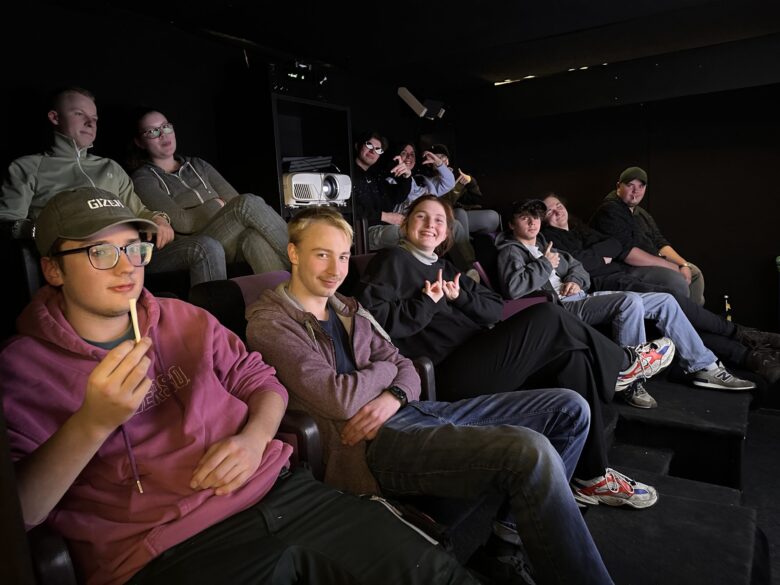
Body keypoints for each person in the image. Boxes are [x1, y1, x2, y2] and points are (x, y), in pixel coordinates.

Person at [0, 186, 478, 585]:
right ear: (54, 268)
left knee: (438, 573)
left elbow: (262, 381)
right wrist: (92, 423)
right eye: (101, 252)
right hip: (165, 550)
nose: (127, 267)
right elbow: (21, 511)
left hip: (279, 491)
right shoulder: (23, 367)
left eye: (134, 248)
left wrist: (254, 439)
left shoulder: (184, 318)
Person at [245, 205, 614, 585]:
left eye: (342, 257)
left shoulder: (346, 308)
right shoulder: (270, 322)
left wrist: (393, 394)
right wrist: (388, 372)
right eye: (322, 254)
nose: (336, 270)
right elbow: (340, 397)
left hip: (414, 410)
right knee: (530, 449)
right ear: (294, 253)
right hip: (372, 444)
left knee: (571, 407)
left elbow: (405, 367)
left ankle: (507, 542)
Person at [356, 195, 666, 509]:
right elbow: (375, 323)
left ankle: (591, 477)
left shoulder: (446, 267)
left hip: (482, 355)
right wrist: (427, 302)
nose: (430, 225)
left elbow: (494, 309)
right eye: (421, 216)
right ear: (406, 224)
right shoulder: (392, 260)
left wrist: (460, 297)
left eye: (439, 220)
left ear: (447, 232)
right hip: (448, 374)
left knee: (573, 359)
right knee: (549, 315)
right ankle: (622, 365)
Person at [496, 198, 756, 407]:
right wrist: (544, 265)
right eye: (524, 217)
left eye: (535, 216)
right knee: (629, 301)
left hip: (579, 296)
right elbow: (514, 288)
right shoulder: (510, 251)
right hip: (560, 308)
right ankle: (630, 379)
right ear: (511, 224)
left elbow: (579, 269)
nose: (532, 222)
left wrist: (574, 280)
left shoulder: (546, 245)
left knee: (665, 301)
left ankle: (704, 366)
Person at [543, 193, 780, 384]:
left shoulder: (580, 228)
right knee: (670, 299)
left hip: (619, 274)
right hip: (604, 284)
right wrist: (600, 256)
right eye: (550, 211)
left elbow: (615, 245)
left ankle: (750, 351)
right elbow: (580, 264)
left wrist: (599, 255)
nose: (557, 211)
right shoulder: (550, 239)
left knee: (674, 303)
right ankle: (746, 345)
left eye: (558, 206)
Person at [0, 86, 225, 287]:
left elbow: (139, 211)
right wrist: (40, 230)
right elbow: (7, 222)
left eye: (94, 118)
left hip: (131, 254)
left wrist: (159, 219)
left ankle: (208, 323)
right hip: (78, 258)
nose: (90, 122)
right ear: (54, 117)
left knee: (205, 246)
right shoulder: (27, 167)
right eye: (79, 114)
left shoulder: (109, 167)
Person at [130, 109, 290, 275]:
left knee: (254, 237)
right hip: (193, 244)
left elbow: (233, 199)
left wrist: (224, 207)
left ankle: (285, 291)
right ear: (140, 142)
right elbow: (183, 223)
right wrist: (217, 203)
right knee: (246, 203)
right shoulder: (143, 178)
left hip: (227, 237)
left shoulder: (198, 164)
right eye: (152, 131)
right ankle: (300, 255)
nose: (163, 134)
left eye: (166, 127)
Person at [351, 131, 477, 275]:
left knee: (454, 225)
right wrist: (386, 215)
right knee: (415, 232)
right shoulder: (384, 178)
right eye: (369, 145)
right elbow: (352, 210)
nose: (373, 151)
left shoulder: (383, 179)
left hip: (401, 223)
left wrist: (437, 164)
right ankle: (433, 275)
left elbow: (448, 183)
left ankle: (470, 271)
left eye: (378, 149)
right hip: (371, 229)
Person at [590, 166, 705, 304]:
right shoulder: (610, 210)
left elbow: (659, 243)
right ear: (618, 186)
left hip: (648, 263)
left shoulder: (641, 213)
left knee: (694, 273)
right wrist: (673, 267)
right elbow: (628, 254)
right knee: (676, 280)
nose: (636, 191)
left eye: (641, 186)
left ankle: (692, 315)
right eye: (630, 185)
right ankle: (682, 315)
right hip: (623, 269)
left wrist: (683, 264)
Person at [428, 143, 501, 236]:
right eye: (436, 158)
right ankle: (464, 243)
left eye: (443, 157)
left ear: (447, 160)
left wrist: (470, 181)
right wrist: (455, 190)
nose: (441, 160)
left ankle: (470, 237)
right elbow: (440, 205)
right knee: (460, 213)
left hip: (461, 215)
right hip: (443, 217)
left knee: (493, 217)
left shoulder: (456, 176)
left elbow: (475, 199)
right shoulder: (428, 180)